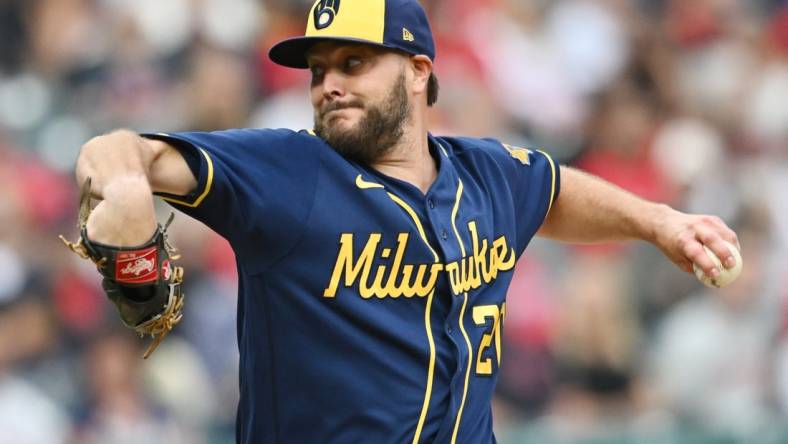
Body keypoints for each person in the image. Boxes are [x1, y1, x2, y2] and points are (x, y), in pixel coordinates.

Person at [71, 0, 740, 442]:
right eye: (319, 70)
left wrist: (658, 222)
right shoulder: (289, 172)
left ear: (419, 71)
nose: (328, 82)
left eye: (354, 63)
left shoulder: (489, 175)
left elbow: (555, 189)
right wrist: (127, 188)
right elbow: (121, 151)